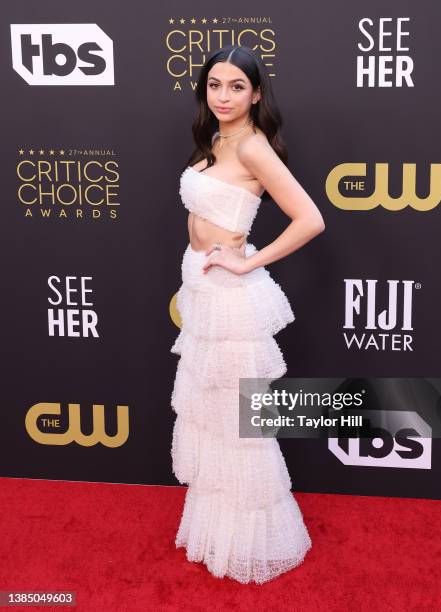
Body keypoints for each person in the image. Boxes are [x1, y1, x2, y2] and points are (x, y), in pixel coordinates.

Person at [170, 44, 325, 584]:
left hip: (233, 302)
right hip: (202, 287)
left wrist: (249, 261)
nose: (224, 96)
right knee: (213, 421)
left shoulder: (254, 147)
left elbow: (310, 218)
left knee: (240, 427)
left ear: (256, 93)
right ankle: (218, 533)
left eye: (237, 86)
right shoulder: (214, 138)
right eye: (215, 84)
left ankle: (251, 544)